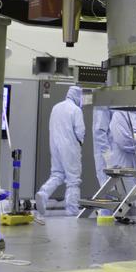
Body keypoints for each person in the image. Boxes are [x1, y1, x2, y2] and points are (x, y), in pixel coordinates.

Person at [35, 85, 84, 217]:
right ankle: (72, 210)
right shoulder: (76, 110)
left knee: (57, 174)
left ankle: (43, 193)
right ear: (78, 96)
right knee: (73, 179)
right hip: (70, 147)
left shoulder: (56, 107)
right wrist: (80, 143)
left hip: (55, 145)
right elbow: (80, 131)